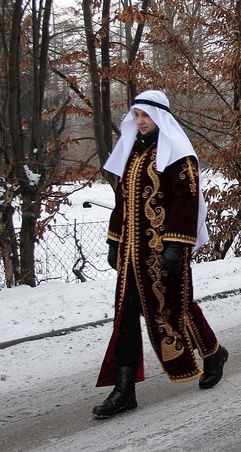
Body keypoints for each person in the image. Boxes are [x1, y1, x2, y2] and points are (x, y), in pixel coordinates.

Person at [92, 90, 228, 418]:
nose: (140, 122)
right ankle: (124, 390)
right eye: (136, 116)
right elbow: (122, 202)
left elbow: (186, 201)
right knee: (125, 317)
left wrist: (177, 246)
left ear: (160, 118)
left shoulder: (177, 154)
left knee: (175, 308)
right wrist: (114, 241)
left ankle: (213, 352)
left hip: (163, 251)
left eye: (146, 116)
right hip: (130, 256)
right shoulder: (132, 155)